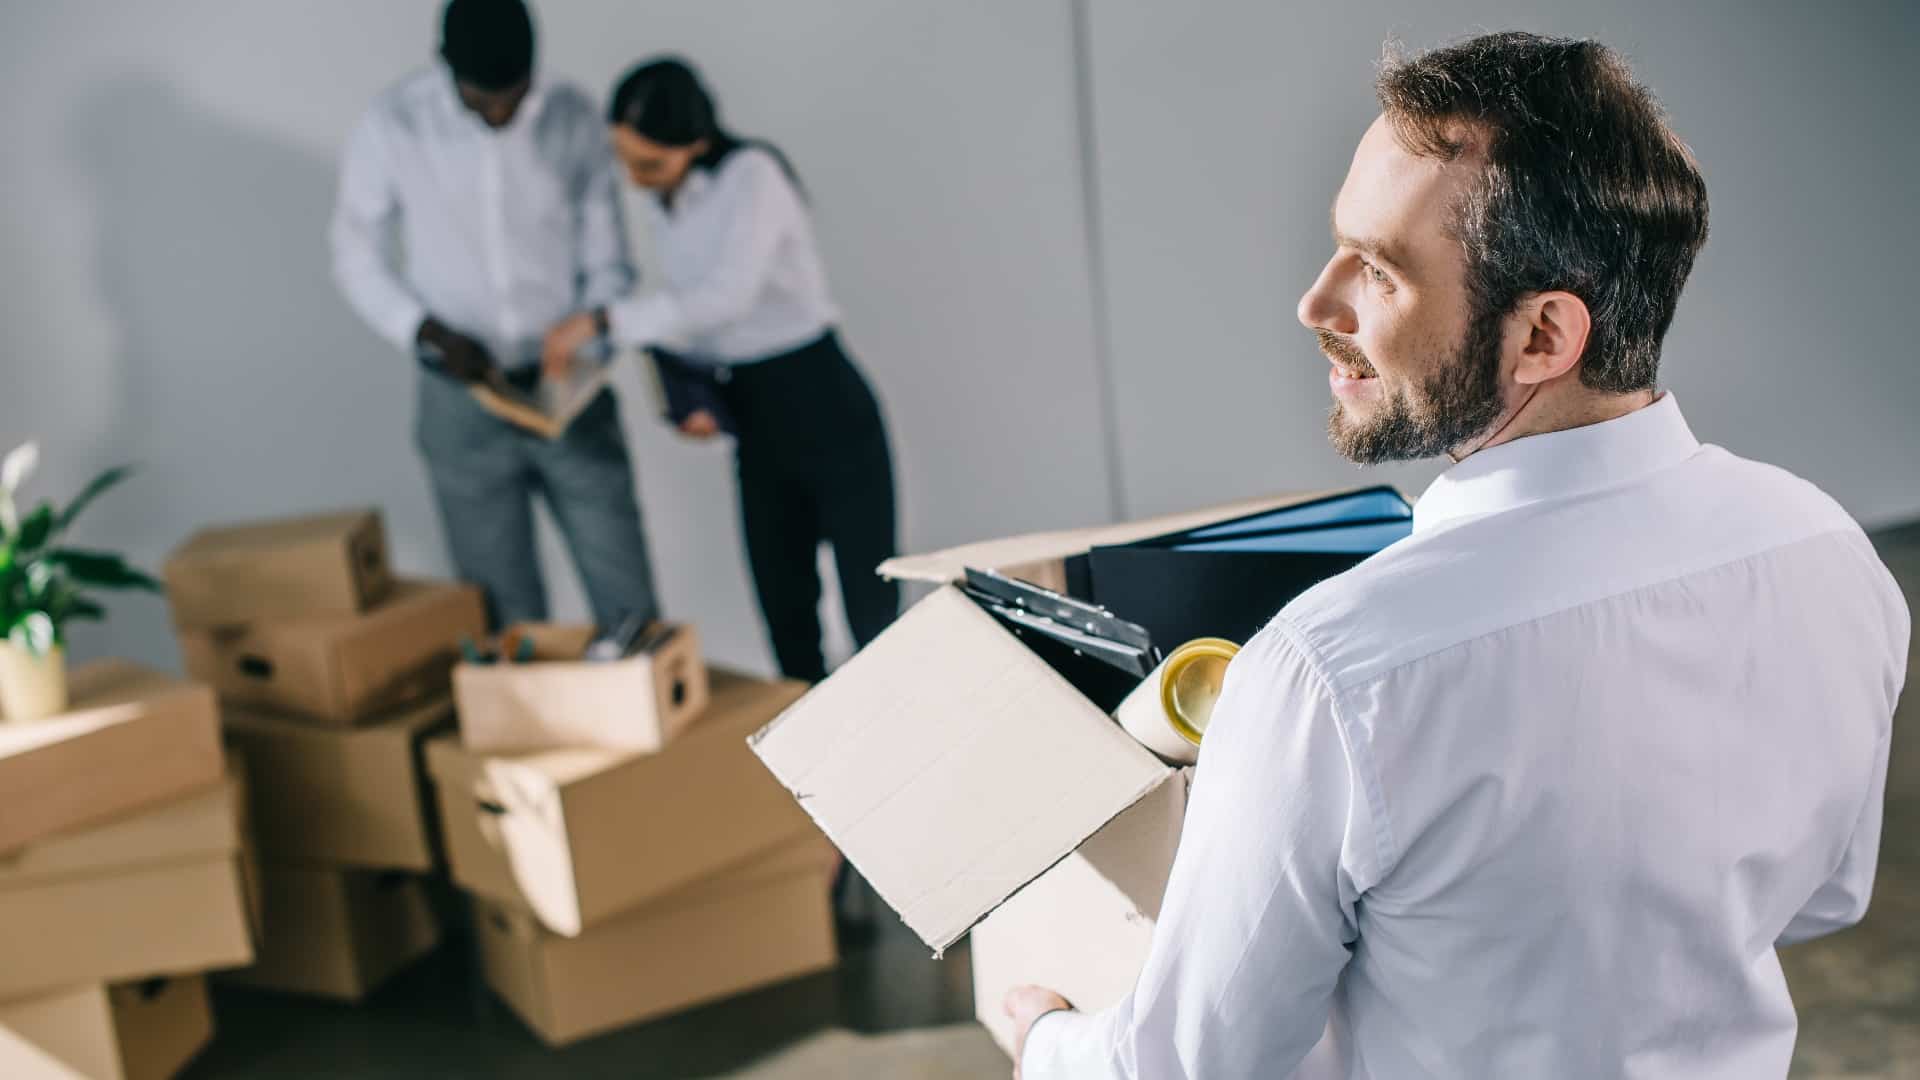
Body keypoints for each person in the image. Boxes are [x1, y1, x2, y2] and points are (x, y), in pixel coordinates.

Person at [1005, 31, 1908, 1079]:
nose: (1317, 303)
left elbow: (1188, 1067)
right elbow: (1825, 896)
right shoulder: (1824, 549)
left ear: (1542, 338)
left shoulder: (1333, 675)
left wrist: (1045, 1038)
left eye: (1379, 272)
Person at [544, 57, 897, 684]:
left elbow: (724, 297)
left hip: (823, 401)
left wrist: (601, 321)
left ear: (697, 141)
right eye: (625, 161)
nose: (635, 180)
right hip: (756, 414)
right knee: (784, 609)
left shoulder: (753, 176)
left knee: (869, 617)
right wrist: (692, 398)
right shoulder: (668, 198)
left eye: (649, 164)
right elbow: (699, 323)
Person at [330, 0, 660, 631]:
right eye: (487, 99)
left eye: (517, 94)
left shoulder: (574, 117)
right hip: (460, 397)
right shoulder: (394, 122)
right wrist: (424, 331)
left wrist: (586, 346)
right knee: (501, 613)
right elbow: (355, 255)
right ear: (448, 71)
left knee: (627, 601)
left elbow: (610, 261)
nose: (504, 112)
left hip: (568, 387)